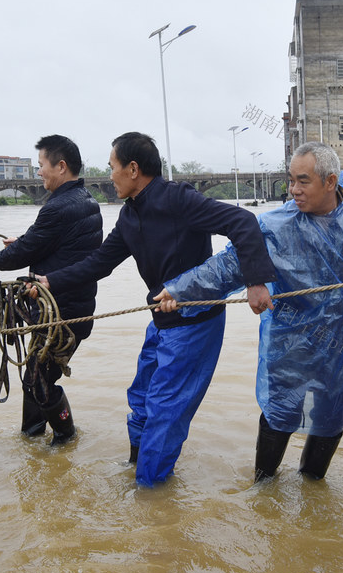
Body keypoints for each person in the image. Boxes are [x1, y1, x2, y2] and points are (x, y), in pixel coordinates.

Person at [156, 142, 343, 482]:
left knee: (331, 419)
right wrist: (179, 290)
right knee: (278, 414)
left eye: (303, 181)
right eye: (290, 180)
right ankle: (263, 485)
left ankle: (312, 486)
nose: (294, 190)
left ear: (330, 182)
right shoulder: (276, 225)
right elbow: (228, 265)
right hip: (292, 343)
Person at [36, 132, 276, 487]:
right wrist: (49, 282)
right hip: (161, 321)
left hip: (194, 323)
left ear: (133, 169)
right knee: (142, 399)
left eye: (113, 167)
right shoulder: (130, 216)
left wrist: (256, 282)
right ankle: (140, 470)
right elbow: (99, 262)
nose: (109, 175)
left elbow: (242, 223)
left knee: (165, 412)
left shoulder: (178, 200)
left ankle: (150, 499)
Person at [0, 134, 102, 445]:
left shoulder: (58, 207)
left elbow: (19, 256)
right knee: (35, 378)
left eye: (41, 166)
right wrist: (22, 242)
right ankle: (31, 437)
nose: (38, 173)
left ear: (60, 167)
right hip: (75, 310)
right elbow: (52, 244)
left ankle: (66, 438)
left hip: (59, 314)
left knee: (38, 380)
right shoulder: (86, 200)